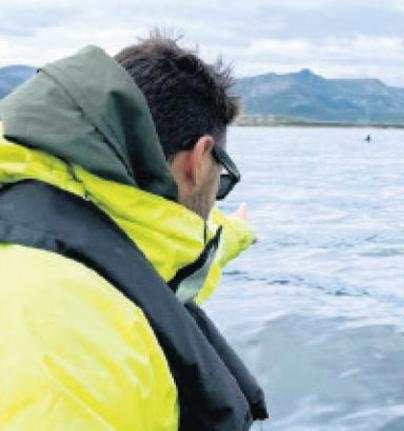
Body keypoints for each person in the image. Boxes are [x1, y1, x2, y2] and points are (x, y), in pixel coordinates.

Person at [0, 35, 267, 429]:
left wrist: (231, 234)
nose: (215, 198)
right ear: (198, 159)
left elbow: (142, 253)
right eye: (222, 180)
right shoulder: (70, 339)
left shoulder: (31, 210)